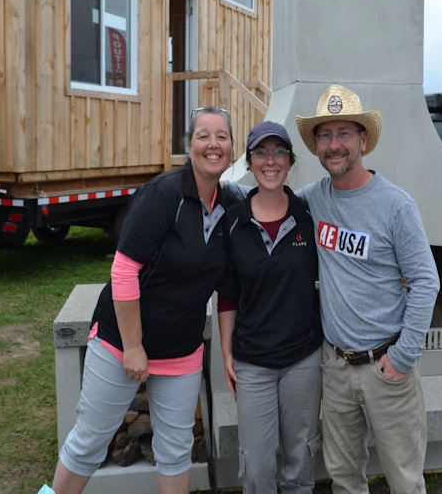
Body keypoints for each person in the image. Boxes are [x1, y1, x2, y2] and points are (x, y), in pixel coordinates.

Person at [51, 107, 238, 494]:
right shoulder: (164, 194)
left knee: (176, 451)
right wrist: (134, 346)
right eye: (203, 135)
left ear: (232, 147)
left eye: (222, 136)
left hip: (182, 350)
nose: (213, 144)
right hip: (121, 345)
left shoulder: (230, 204)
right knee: (88, 443)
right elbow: (123, 270)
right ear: (188, 145)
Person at [294, 85, 439, 494]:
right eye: (325, 135)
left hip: (387, 368)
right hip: (336, 367)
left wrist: (403, 357)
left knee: (405, 482)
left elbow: (426, 280)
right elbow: (269, 201)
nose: (334, 145)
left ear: (362, 139)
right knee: (344, 479)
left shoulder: (395, 205)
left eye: (344, 133)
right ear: (316, 146)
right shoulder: (312, 200)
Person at [218, 121, 322, 494]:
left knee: (300, 460)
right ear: (249, 162)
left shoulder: (308, 215)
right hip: (253, 361)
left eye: (279, 152)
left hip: (302, 359)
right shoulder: (234, 221)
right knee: (257, 468)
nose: (271, 161)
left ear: (290, 161)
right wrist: (227, 354)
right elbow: (227, 294)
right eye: (261, 153)